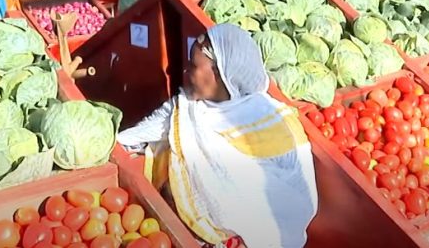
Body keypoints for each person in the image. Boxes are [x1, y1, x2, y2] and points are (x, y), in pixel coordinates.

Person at [118, 24, 318, 248]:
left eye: (193, 65)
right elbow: (131, 139)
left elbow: (299, 194)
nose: (185, 72)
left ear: (220, 74)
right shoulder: (186, 109)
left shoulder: (275, 117)